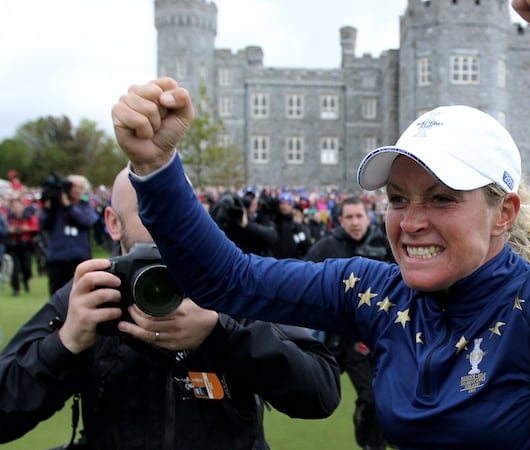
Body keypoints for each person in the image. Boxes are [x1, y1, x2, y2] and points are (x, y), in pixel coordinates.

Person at [110, 0, 530, 447]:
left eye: (442, 198)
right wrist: (158, 166)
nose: (412, 221)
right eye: (399, 198)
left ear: (504, 211)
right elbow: (227, 281)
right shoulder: (374, 293)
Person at [0, 168, 341, 449]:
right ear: (113, 222)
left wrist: (221, 334)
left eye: (178, 213)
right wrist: (66, 343)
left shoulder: (233, 286)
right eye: (149, 212)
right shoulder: (91, 294)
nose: (166, 227)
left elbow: (321, 392)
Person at [305, 196, 393, 450]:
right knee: (309, 392)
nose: (355, 222)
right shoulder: (326, 248)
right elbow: (303, 282)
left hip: (364, 340)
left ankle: (371, 443)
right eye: (349, 217)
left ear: (369, 217)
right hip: (328, 336)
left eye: (359, 216)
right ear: (340, 220)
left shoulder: (385, 245)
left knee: (374, 396)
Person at [39, 174, 98, 296]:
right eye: (74, 187)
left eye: (80, 188)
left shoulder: (84, 206)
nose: (77, 190)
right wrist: (48, 207)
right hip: (57, 257)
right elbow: (43, 223)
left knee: (82, 293)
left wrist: (69, 207)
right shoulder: (55, 208)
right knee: (57, 294)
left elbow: (87, 221)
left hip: (79, 257)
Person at [6, 197, 40, 296]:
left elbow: (36, 228)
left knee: (27, 268)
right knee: (15, 268)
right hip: (13, 245)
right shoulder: (9, 218)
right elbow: (4, 229)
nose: (17, 209)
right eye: (14, 207)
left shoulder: (28, 217)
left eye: (18, 206)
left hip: (25, 245)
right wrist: (10, 230)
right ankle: (16, 288)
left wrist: (27, 228)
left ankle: (26, 280)